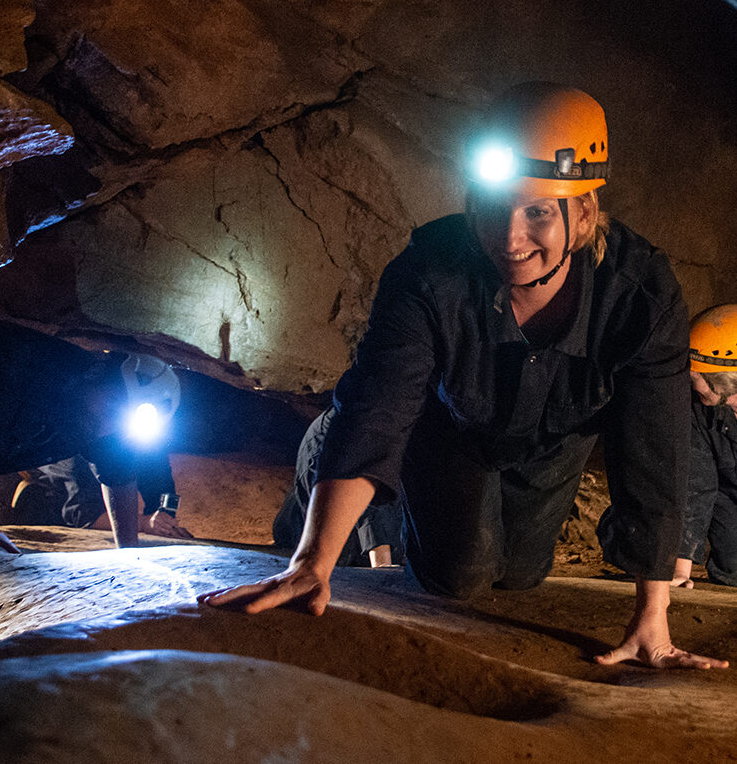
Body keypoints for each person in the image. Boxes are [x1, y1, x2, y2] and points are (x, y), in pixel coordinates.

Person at [200, 82, 728, 671]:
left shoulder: (640, 294)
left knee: (522, 576)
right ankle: (348, 478)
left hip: (555, 441)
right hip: (449, 427)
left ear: (582, 214)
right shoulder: (429, 272)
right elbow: (380, 406)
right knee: (460, 577)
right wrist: (311, 564)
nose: (509, 238)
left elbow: (654, 449)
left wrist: (652, 618)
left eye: (537, 212)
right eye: (495, 207)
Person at [0, 312, 181, 553]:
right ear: (99, 374)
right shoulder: (11, 365)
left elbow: (118, 477)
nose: (108, 424)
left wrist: (129, 556)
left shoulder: (101, 417)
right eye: (113, 406)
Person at [272, 407, 404, 567]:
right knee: (338, 560)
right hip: (331, 471)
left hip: (336, 479)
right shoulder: (383, 415)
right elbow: (371, 484)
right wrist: (383, 565)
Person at [672, 304, 737, 589]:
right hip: (728, 494)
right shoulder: (701, 410)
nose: (690, 380)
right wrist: (679, 567)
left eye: (695, 375)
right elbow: (697, 484)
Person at [0, 455, 192, 540]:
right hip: (28, 506)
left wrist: (165, 522)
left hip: (79, 504)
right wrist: (146, 524)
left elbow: (160, 483)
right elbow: (83, 515)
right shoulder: (75, 446)